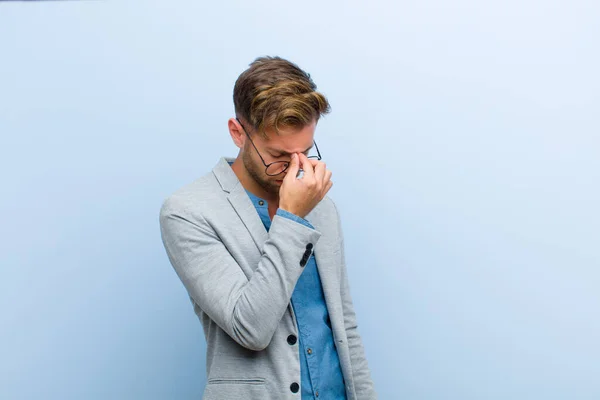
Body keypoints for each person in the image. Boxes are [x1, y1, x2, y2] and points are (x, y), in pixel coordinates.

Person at [159, 56, 376, 400]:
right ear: (237, 133)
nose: (295, 170)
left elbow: (344, 326)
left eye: (305, 153)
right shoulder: (188, 212)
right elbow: (250, 329)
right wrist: (292, 218)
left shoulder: (322, 207)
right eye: (278, 155)